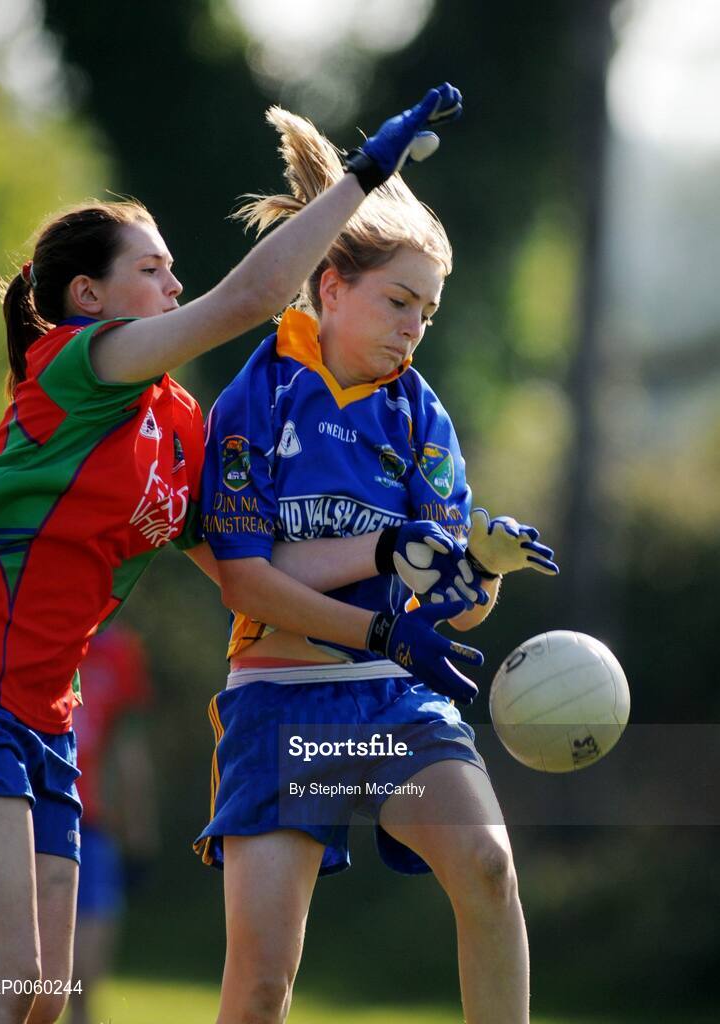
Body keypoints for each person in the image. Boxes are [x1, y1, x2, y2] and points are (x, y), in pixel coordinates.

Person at [0, 83, 468, 1024]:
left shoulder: (183, 428)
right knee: (3, 980)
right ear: (87, 297)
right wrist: (363, 178)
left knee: (35, 995)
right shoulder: (76, 365)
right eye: (154, 269)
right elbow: (257, 296)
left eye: (176, 270)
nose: (175, 286)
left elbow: (240, 580)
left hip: (42, 713)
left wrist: (386, 621)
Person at [194, 106, 559, 1024]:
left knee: (487, 868)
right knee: (261, 989)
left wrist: (483, 563)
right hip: (281, 701)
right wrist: (385, 553)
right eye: (400, 302)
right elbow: (247, 581)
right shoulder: (259, 393)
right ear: (332, 285)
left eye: (428, 312)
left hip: (394, 695)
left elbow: (458, 609)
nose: (415, 328)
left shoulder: (420, 416)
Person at [68, 623, 157, 1024]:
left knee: (85, 975)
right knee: (26, 980)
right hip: (26, 819)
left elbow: (128, 747)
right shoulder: (27, 631)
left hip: (92, 826)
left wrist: (140, 831)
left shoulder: (118, 651)